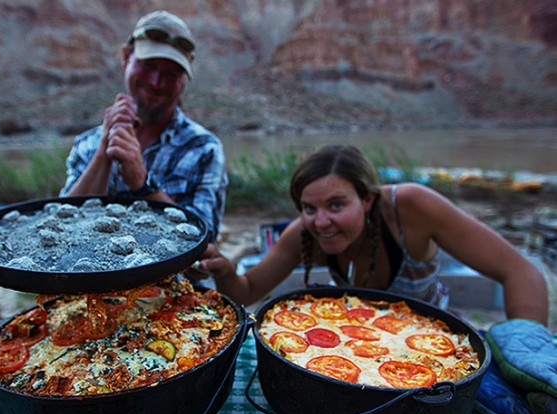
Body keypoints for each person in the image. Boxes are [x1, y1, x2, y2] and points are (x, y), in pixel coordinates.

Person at [198, 144, 548, 325]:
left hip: (432, 342)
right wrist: (225, 270)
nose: (321, 222)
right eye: (309, 208)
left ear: (366, 199)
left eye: (336, 205)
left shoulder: (411, 207)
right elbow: (246, 292)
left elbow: (521, 272)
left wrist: (524, 351)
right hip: (357, 343)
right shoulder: (305, 234)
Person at [60, 10, 227, 241]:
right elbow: (61, 227)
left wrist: (142, 184)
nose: (156, 82)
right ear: (126, 57)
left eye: (172, 73)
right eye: (148, 65)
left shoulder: (203, 149)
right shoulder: (87, 144)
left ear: (183, 82)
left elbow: (204, 241)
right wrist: (104, 153)